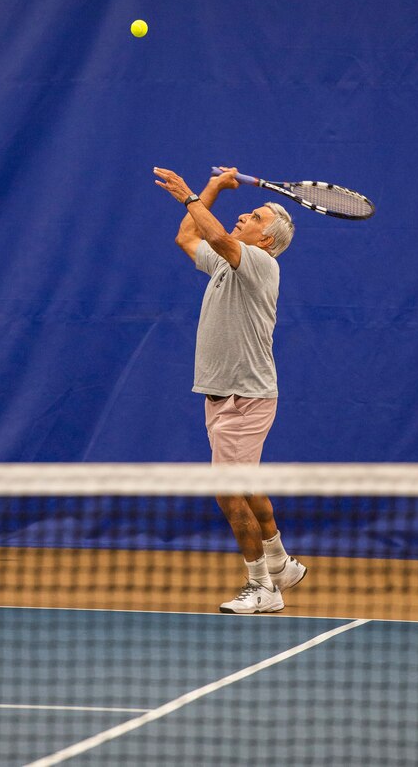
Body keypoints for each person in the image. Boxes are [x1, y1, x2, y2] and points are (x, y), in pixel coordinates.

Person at [154, 165, 307, 614]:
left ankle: (262, 585)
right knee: (246, 482)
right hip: (223, 393)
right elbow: (187, 238)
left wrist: (188, 196)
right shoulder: (227, 263)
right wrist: (212, 189)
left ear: (267, 240)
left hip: (245, 397)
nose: (246, 215)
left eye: (255, 217)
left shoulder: (259, 263)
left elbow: (216, 235)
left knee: (227, 490)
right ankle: (280, 561)